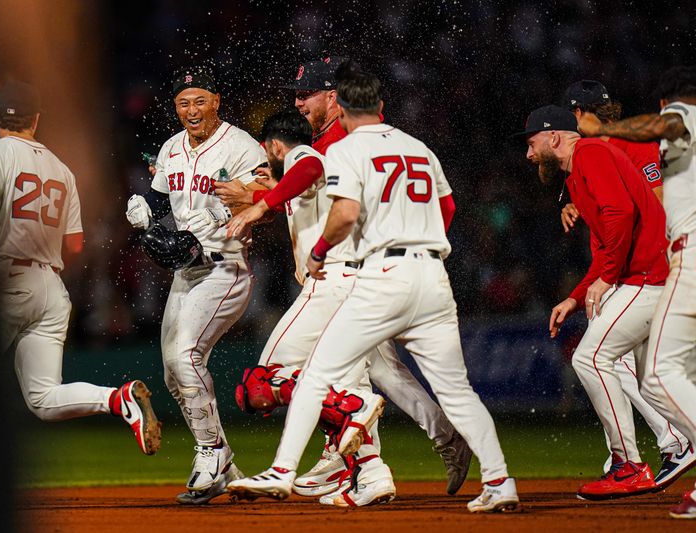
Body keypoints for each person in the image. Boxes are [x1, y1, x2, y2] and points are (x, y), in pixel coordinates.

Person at [228, 67, 518, 514]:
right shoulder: (418, 146)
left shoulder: (342, 148)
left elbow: (340, 210)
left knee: (314, 378)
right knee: (442, 388)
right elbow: (448, 206)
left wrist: (318, 248)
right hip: (432, 275)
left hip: (372, 274)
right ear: (381, 105)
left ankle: (286, 469)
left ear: (340, 107)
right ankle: (492, 479)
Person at [0, 80, 162, 452]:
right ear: (36, 120)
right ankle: (117, 399)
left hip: (6, 277)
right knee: (42, 397)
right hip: (50, 287)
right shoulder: (62, 170)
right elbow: (74, 245)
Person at [124, 69, 267, 504]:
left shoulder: (241, 143)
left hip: (226, 267)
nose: (191, 110)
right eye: (184, 103)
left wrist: (225, 215)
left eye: (199, 101)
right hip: (187, 272)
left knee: (187, 356)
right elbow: (158, 196)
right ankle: (223, 460)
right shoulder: (171, 147)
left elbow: (266, 187)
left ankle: (211, 452)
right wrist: (142, 209)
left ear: (217, 101)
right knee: (172, 371)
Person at [520, 104, 668, 500]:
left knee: (591, 358)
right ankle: (673, 444)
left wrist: (605, 278)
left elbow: (621, 212)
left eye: (532, 143)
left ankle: (628, 466)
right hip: (646, 278)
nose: (529, 154)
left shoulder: (591, 153)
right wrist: (575, 296)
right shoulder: (578, 177)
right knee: (654, 377)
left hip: (651, 277)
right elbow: (604, 251)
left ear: (554, 137)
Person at [577, 65, 696, 520]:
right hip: (670, 260)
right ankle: (671, 444)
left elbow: (654, 187)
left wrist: (602, 129)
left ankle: (665, 446)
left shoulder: (670, 123)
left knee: (652, 370)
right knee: (655, 371)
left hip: (674, 260)